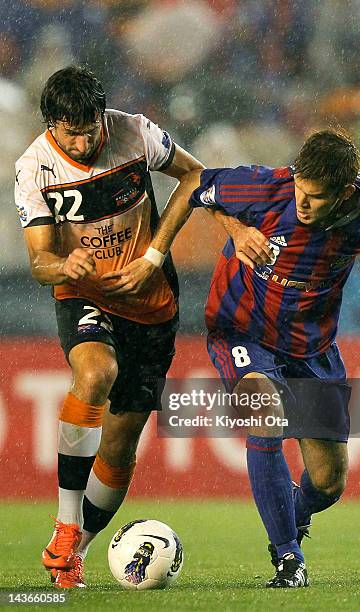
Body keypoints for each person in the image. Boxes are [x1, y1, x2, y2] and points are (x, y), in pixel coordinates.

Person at [15, 65, 272, 589]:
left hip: (153, 304)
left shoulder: (133, 131)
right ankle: (66, 524)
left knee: (120, 444)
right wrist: (66, 268)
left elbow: (197, 177)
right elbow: (40, 262)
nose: (84, 140)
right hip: (84, 294)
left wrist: (158, 253)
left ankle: (73, 555)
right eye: (72, 132)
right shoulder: (33, 168)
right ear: (50, 126)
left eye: (91, 128)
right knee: (94, 374)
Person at [134, 129, 360, 588]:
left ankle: (290, 516)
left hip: (312, 346)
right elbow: (193, 183)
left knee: (329, 483)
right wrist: (170, 252)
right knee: (265, 414)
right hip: (242, 329)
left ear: (345, 194)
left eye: (315, 198)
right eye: (300, 191)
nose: (303, 205)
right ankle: (288, 557)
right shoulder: (267, 189)